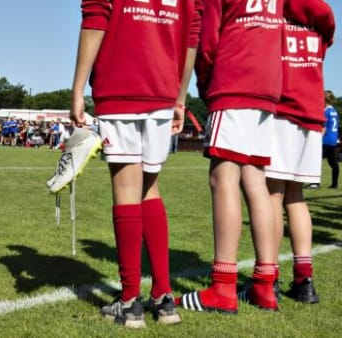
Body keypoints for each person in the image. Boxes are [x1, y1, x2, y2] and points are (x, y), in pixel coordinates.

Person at [68, 0, 201, 328]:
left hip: (122, 83)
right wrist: (181, 97)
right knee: (149, 188)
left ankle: (130, 302)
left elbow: (96, 16)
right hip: (163, 88)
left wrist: (78, 87)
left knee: (127, 189)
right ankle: (164, 298)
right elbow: (191, 35)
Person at [177, 0, 289, 313]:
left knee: (222, 177)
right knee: (255, 180)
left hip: (234, 78)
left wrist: (204, 83)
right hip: (266, 85)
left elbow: (208, 39)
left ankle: (223, 286)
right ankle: (265, 285)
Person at [253, 1, 336, 307]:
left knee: (272, 194)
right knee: (296, 197)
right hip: (312, 114)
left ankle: (269, 276)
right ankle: (304, 279)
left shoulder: (273, 14)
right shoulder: (321, 19)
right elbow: (327, 36)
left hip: (281, 111)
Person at [323, 90, 339, 189]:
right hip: (333, 140)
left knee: (316, 161)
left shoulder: (325, 111)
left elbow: (323, 127)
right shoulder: (334, 111)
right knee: (333, 163)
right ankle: (335, 184)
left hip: (325, 140)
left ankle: (314, 183)